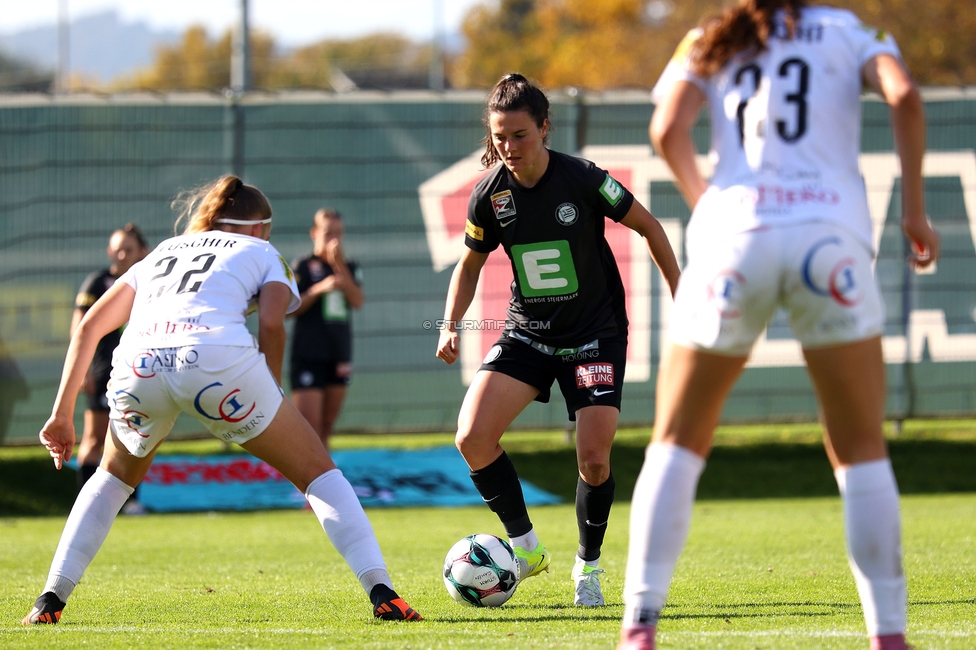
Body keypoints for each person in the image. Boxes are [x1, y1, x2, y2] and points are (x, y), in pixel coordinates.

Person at [618, 2, 939, 649]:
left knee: (677, 442)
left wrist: (709, 207)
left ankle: (640, 625)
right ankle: (890, 634)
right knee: (859, 447)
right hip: (831, 239)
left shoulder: (710, 36)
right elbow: (904, 96)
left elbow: (665, 129)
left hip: (737, 239)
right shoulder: (851, 32)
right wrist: (913, 212)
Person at [23, 176, 421, 625]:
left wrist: (60, 414)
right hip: (216, 363)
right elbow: (272, 323)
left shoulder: (162, 252)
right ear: (257, 228)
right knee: (319, 475)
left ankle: (49, 601)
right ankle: (382, 593)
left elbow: (89, 328)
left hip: (140, 365)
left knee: (111, 480)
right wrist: (269, 389)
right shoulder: (261, 251)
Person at [436, 73, 681, 607]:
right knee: (472, 437)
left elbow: (652, 227)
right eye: (500, 136)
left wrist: (682, 294)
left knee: (593, 458)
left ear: (545, 128)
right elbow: (469, 265)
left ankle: (587, 568)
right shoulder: (490, 197)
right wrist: (451, 323)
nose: (509, 147)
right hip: (529, 333)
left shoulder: (585, 179)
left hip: (595, 335)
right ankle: (527, 549)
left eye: (520, 135)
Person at [72, 224, 150, 514]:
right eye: (117, 249)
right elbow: (81, 327)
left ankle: (130, 502)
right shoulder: (98, 282)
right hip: (105, 372)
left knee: (136, 436)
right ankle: (84, 504)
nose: (121, 255)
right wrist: (81, 370)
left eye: (128, 250)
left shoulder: (151, 281)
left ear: (142, 252)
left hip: (141, 373)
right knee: (94, 438)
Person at [289, 208, 364, 450]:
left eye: (338, 233)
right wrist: (319, 289)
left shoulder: (349, 266)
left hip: (338, 354)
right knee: (309, 425)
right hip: (308, 355)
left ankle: (324, 479)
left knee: (327, 425)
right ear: (314, 233)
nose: (334, 239)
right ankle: (305, 479)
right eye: (328, 233)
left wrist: (338, 265)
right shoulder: (303, 265)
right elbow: (290, 309)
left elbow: (358, 301)